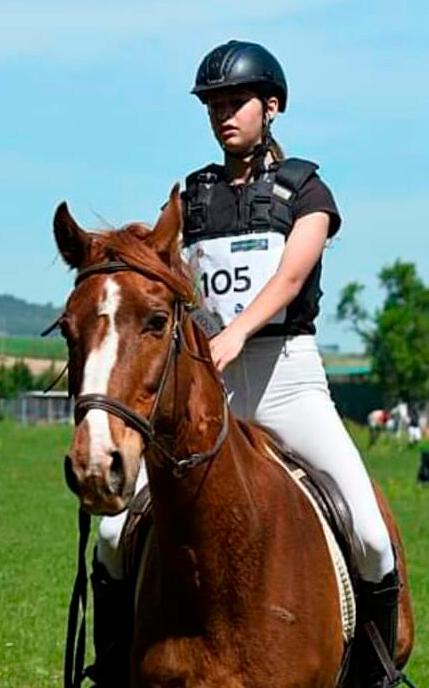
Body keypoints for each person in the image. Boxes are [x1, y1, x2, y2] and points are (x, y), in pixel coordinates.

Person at [91, 41, 401, 688]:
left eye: (237, 102)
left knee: (369, 533)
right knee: (116, 534)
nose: (224, 114)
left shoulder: (306, 191)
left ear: (272, 106)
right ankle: (116, 668)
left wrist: (234, 333)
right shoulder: (194, 197)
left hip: (286, 378)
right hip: (213, 390)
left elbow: (289, 280)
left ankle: (370, 675)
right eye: (214, 105)